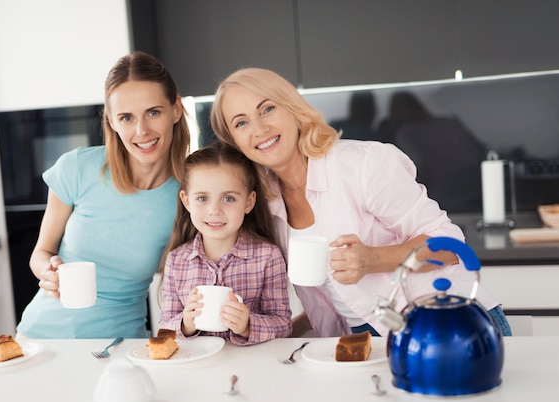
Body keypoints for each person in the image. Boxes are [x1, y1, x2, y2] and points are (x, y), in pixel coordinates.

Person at [209, 67, 512, 337]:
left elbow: (448, 246)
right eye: (241, 123)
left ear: (293, 109)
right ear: (234, 142)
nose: (259, 129)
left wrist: (372, 260)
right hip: (367, 336)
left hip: (447, 322)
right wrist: (282, 330)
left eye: (268, 109)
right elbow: (336, 298)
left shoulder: (363, 165)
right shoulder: (264, 204)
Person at [16, 51, 190, 338]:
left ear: (176, 109)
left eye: (153, 112)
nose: (141, 130)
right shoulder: (77, 168)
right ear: (111, 121)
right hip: (40, 335)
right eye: (126, 117)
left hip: (120, 343)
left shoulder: (188, 193)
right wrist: (48, 271)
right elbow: (41, 252)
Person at [158, 141, 292, 345]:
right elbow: (164, 329)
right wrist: (185, 324)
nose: (214, 210)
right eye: (202, 198)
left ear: (248, 202)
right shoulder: (177, 260)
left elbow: (283, 324)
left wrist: (248, 325)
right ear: (187, 202)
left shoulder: (267, 256)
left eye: (228, 198)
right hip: (197, 368)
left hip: (250, 367)